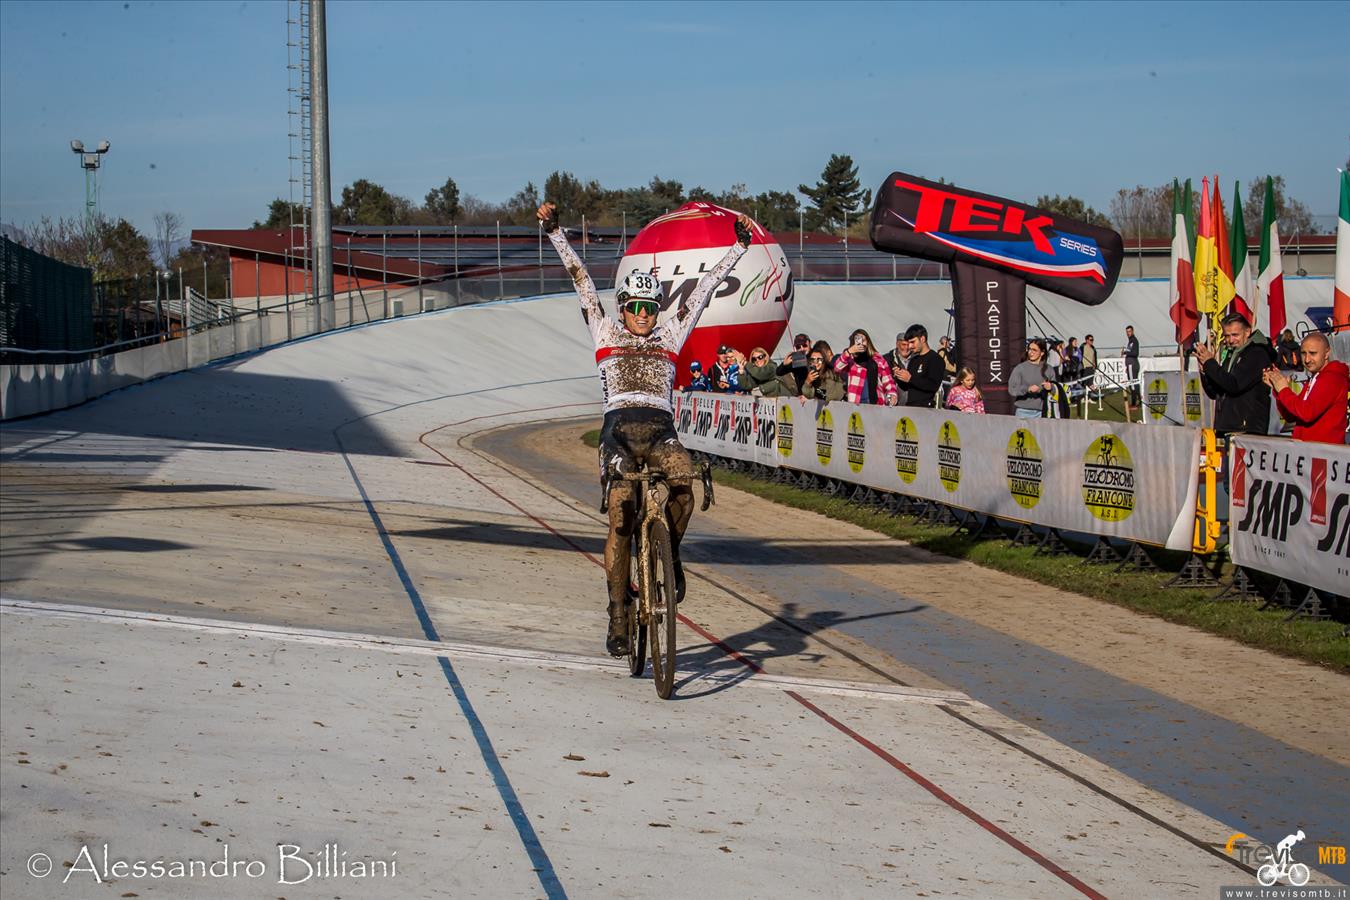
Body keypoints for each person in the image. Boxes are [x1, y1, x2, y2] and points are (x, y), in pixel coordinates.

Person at [538, 199, 753, 656]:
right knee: (620, 514)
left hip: (660, 428)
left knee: (684, 483)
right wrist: (555, 231)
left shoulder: (672, 332)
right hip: (618, 428)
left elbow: (705, 288)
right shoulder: (605, 330)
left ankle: (669, 555)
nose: (642, 313)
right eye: (634, 306)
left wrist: (738, 247)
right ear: (623, 307)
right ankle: (618, 613)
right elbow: (581, 281)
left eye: (649, 306)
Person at [1194, 312, 1276, 436]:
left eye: (1235, 335)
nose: (1230, 340)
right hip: (1227, 425)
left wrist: (1210, 363)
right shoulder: (1232, 353)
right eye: (1227, 336)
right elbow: (1216, 392)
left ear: (1247, 332)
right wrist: (1205, 371)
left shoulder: (1257, 354)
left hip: (1246, 428)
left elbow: (1234, 385)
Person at [1263, 332, 1348, 443]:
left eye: (1313, 353)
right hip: (1307, 450)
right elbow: (1291, 416)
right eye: (1303, 353)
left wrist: (1283, 390)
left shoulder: (1332, 378)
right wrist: (1278, 388)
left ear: (1327, 353)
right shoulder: (1315, 377)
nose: (1307, 359)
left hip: (1322, 452)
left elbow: (1307, 413)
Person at [834, 328, 898, 405]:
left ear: (868, 342)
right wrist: (848, 352)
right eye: (857, 340)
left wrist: (892, 395)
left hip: (876, 403)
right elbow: (837, 368)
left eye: (863, 340)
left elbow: (888, 381)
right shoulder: (850, 360)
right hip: (856, 404)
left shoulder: (878, 359)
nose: (861, 343)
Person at [897, 323, 945, 408]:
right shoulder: (913, 360)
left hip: (926, 408)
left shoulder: (935, 359)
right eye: (908, 343)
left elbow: (933, 385)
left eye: (913, 342)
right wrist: (899, 376)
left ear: (922, 339)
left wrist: (910, 379)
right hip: (910, 407)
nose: (910, 346)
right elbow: (907, 387)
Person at [1008, 339, 1054, 418]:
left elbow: (1057, 389)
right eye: (1029, 349)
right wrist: (1027, 389)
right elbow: (1012, 389)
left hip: (1042, 411)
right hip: (1023, 411)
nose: (1030, 352)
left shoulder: (1049, 369)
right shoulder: (1020, 368)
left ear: (1042, 353)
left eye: (1034, 350)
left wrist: (1051, 387)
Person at [882, 333, 911, 405]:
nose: (906, 348)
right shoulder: (886, 359)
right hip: (892, 404)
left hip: (912, 405)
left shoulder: (917, 359)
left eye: (908, 345)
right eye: (903, 345)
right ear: (897, 344)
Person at [1122, 325, 1141, 421]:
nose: (1128, 333)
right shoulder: (1130, 341)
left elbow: (1135, 353)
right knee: (1133, 384)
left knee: (1133, 385)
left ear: (1132, 331)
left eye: (1129, 331)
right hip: (1130, 365)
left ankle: (1135, 404)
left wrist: (1125, 352)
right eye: (1127, 332)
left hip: (1132, 364)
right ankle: (1137, 402)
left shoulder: (1134, 340)